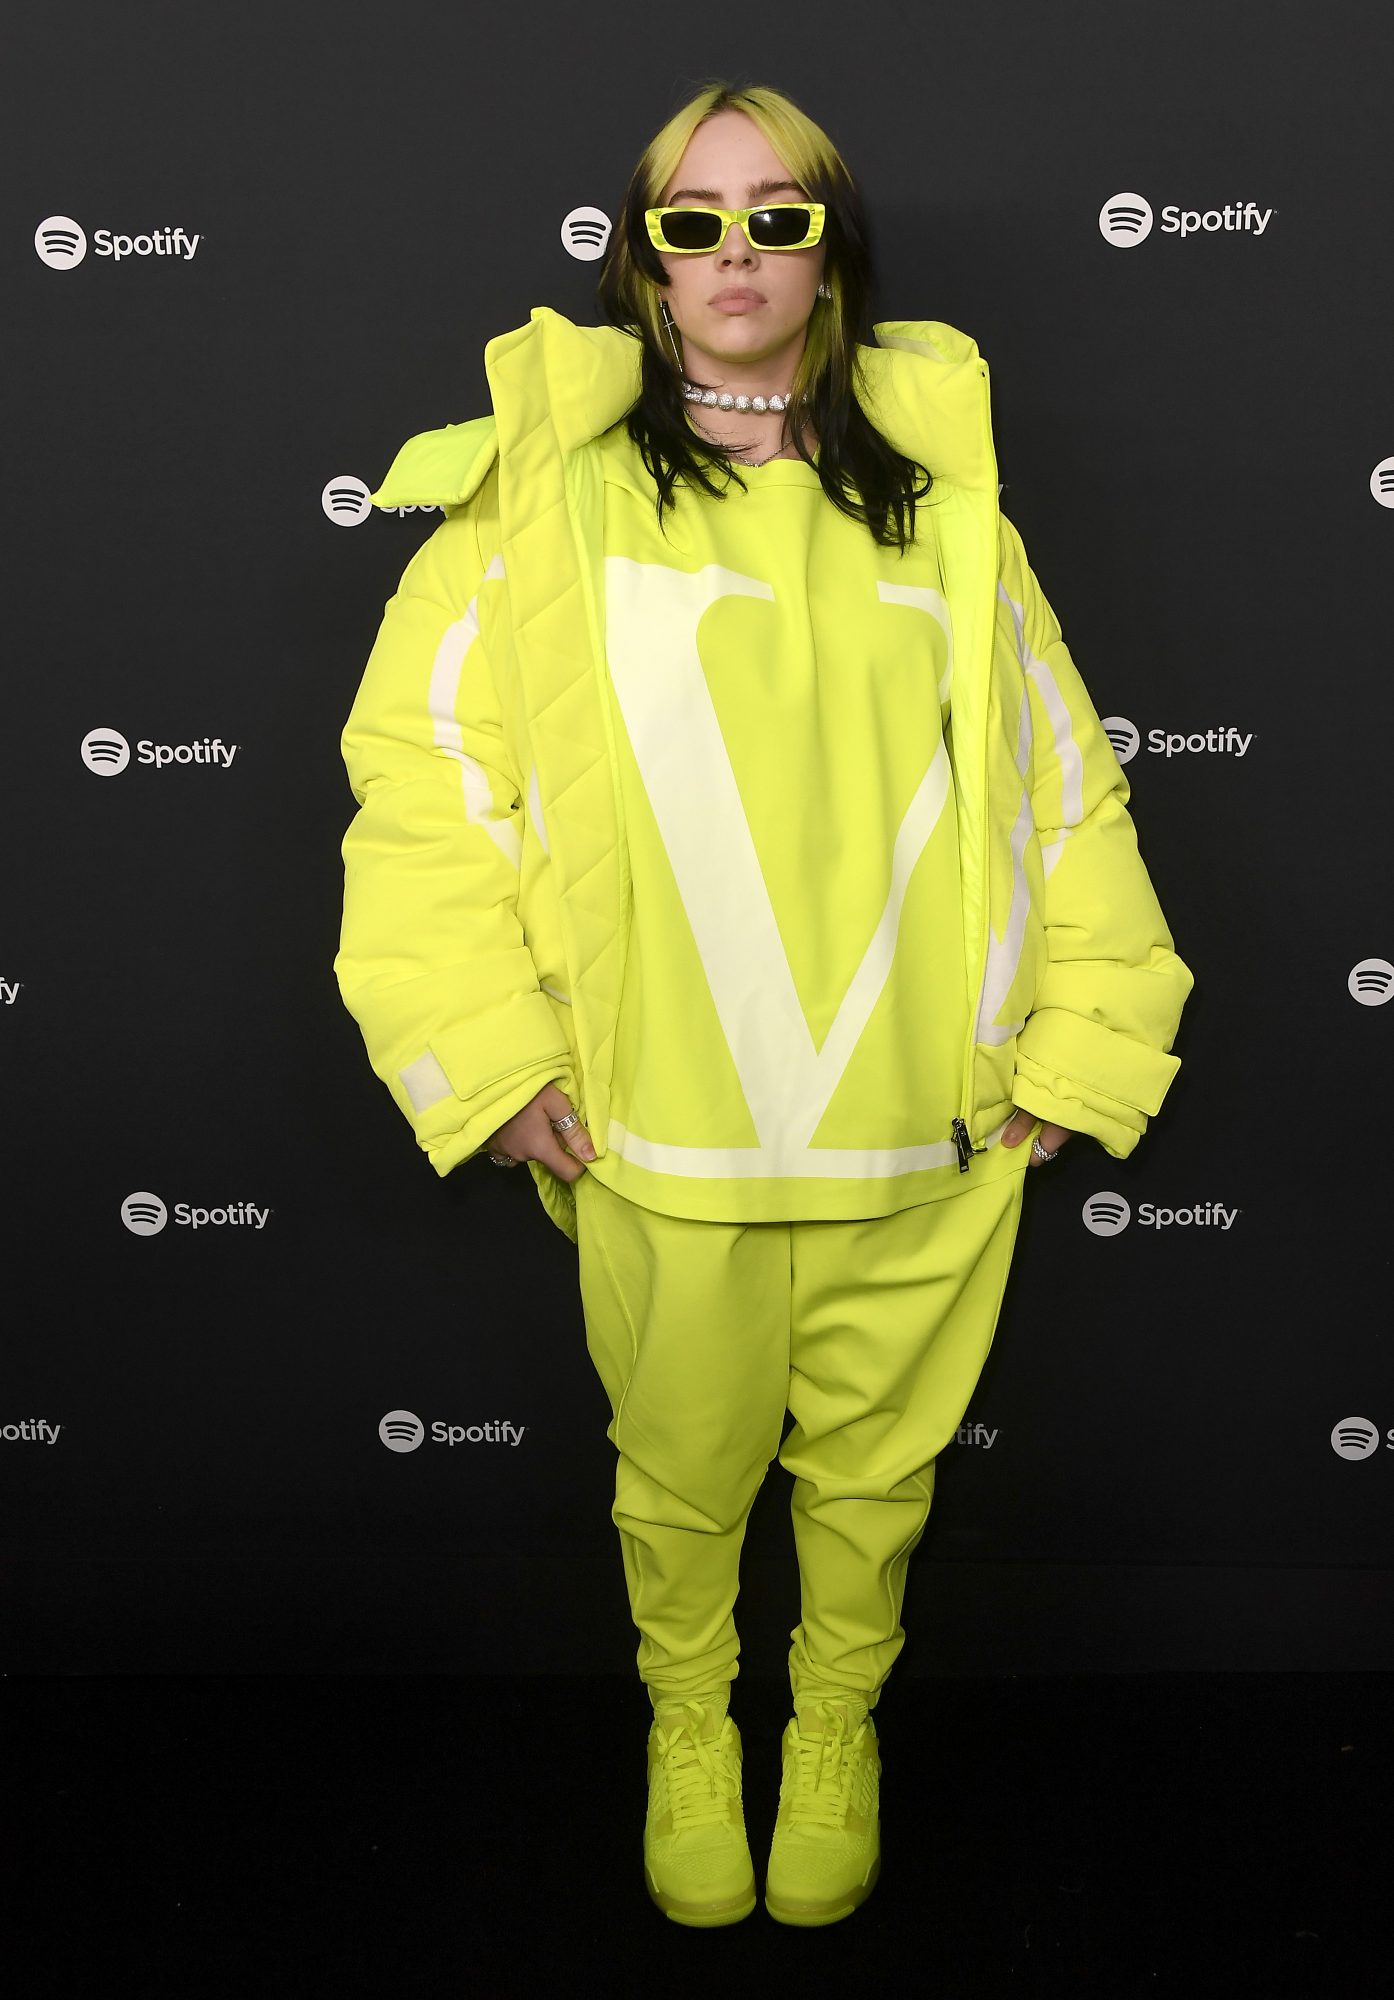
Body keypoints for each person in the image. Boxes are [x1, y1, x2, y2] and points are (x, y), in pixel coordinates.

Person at [334, 80, 1194, 1930]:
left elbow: (1059, 784)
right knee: (680, 1476)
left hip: (918, 1114)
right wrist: (486, 1060)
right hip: (661, 1118)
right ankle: (685, 1721)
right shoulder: (534, 505)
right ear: (642, 257)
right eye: (691, 218)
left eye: (775, 216)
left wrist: (1088, 1031)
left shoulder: (950, 518)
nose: (735, 252)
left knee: (876, 1482)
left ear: (831, 250)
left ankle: (831, 1723)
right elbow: (425, 784)